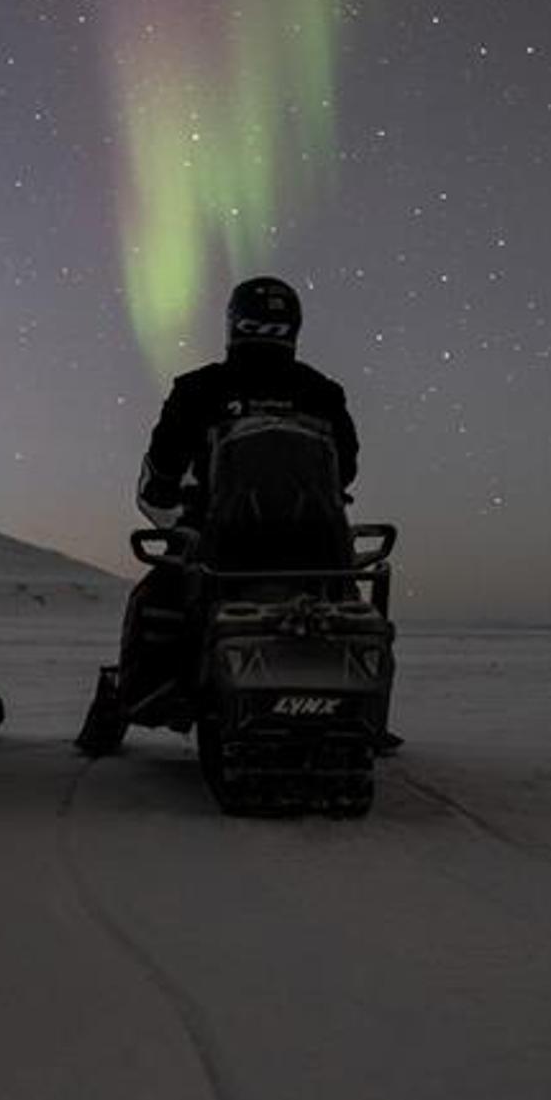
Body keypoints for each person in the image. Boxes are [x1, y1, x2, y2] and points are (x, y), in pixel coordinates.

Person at [117, 275, 401, 751]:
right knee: (346, 600)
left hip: (222, 538)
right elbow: (346, 469)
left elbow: (164, 464)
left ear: (234, 323)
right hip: (314, 544)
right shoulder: (321, 392)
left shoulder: (198, 388)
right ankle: (363, 710)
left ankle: (148, 697)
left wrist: (174, 494)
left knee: (157, 594)